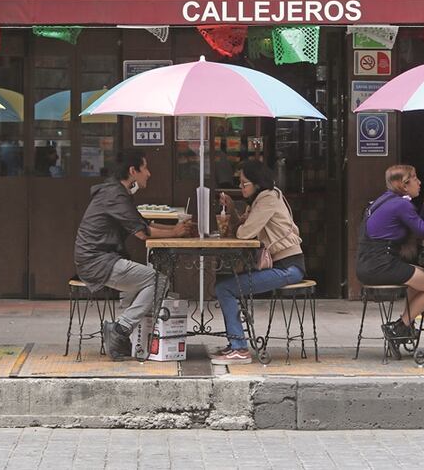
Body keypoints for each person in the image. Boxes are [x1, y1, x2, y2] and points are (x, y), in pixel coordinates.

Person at [73, 149, 193, 360]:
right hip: (97, 261)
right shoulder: (115, 194)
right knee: (159, 282)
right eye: (145, 168)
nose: (148, 173)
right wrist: (175, 232)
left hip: (101, 259)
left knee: (143, 282)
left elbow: (143, 224)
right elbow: (142, 233)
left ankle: (123, 341)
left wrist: (175, 230)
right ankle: (120, 329)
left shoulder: (116, 192)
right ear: (132, 171)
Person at [212, 160, 305, 365]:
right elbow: (245, 228)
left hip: (288, 268)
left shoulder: (267, 199)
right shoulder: (261, 200)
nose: (240, 187)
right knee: (226, 285)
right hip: (282, 266)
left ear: (257, 183)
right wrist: (232, 210)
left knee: (225, 288)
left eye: (244, 183)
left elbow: (244, 233)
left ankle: (239, 348)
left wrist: (239, 222)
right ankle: (236, 343)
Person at [354, 164, 424, 359]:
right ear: (404, 184)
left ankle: (405, 326)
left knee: (419, 274)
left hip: (369, 264)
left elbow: (416, 226)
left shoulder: (385, 201)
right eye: (415, 178)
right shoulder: (400, 204)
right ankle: (399, 328)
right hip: (380, 265)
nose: (419, 182)